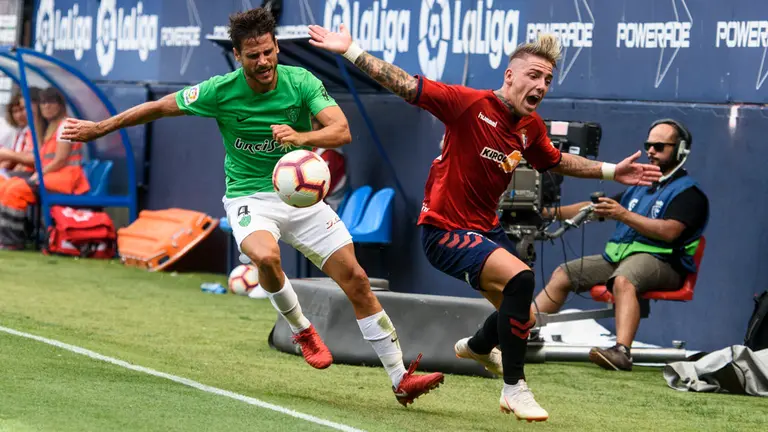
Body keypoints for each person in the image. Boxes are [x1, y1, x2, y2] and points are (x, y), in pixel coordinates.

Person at [61, 7, 444, 407]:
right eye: (252, 55)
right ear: (238, 56)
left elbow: (341, 130)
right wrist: (99, 128)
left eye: (267, 52)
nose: (262, 62)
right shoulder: (219, 91)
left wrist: (301, 137)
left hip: (302, 198)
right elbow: (158, 107)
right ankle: (302, 329)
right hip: (249, 198)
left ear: (276, 47)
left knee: (357, 279)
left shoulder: (301, 81)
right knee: (266, 256)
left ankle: (400, 378)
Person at [307, 25, 661, 421]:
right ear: (509, 75)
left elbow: (555, 160)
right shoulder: (468, 104)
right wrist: (351, 50)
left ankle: (477, 346)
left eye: (547, 80)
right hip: (443, 231)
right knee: (522, 279)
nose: (541, 86)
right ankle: (514, 388)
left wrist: (611, 171)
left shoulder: (530, 127)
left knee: (524, 316)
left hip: (485, 231)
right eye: (534, 75)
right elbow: (406, 85)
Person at [532, 119, 709, 372]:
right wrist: (547, 213)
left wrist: (623, 214)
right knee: (564, 273)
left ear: (680, 150)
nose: (651, 151)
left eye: (659, 146)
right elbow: (593, 209)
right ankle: (521, 331)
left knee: (624, 280)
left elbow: (669, 233)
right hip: (620, 259)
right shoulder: (641, 187)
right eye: (648, 145)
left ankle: (621, 352)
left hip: (665, 263)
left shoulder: (689, 193)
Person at [0, 87, 89, 249]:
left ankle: (13, 241)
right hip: (53, 177)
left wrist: (39, 174)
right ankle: (8, 237)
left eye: (50, 102)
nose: (46, 106)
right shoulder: (51, 127)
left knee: (16, 189)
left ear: (60, 105)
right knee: (8, 186)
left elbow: (60, 160)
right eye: (43, 103)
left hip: (65, 179)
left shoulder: (66, 125)